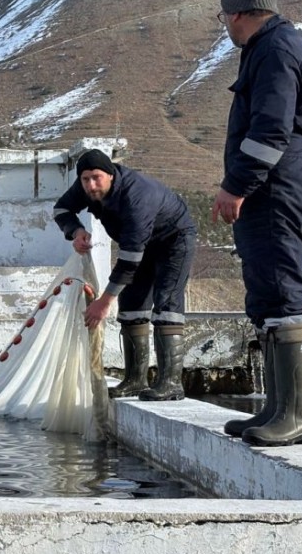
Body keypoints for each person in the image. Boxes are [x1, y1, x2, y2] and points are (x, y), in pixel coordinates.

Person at [212, 0, 302, 447]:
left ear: (237, 13)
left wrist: (235, 186)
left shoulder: (275, 50)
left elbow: (270, 131)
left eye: (224, 20)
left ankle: (298, 417)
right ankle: (279, 410)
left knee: (283, 292)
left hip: (276, 192)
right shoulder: (275, 46)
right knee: (267, 296)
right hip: (274, 191)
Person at [54, 149, 196, 401]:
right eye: (86, 179)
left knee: (166, 306)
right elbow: (61, 209)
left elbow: (129, 261)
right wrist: (75, 231)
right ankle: (135, 380)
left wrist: (104, 302)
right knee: (131, 308)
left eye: (96, 177)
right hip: (139, 246)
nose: (91, 185)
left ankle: (171, 383)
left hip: (173, 241)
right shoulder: (85, 187)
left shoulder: (137, 197)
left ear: (110, 175)